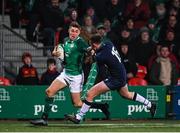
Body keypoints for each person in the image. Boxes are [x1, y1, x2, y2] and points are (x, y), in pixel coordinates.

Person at [65, 34, 157, 124]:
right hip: (121, 73)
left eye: (92, 45)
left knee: (90, 93)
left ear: (94, 44)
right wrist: (94, 52)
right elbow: (99, 52)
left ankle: (79, 117)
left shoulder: (101, 56)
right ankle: (150, 104)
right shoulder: (108, 43)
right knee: (126, 94)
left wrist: (93, 54)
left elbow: (99, 67)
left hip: (115, 78)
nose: (92, 47)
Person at [30, 22, 109, 126]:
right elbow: (63, 56)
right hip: (66, 73)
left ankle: (102, 106)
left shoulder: (80, 42)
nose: (74, 33)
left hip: (76, 76)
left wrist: (91, 51)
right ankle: (44, 119)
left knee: (77, 104)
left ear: (79, 33)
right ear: (68, 31)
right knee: (49, 92)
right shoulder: (66, 42)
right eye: (72, 30)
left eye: (76, 31)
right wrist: (56, 52)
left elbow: (88, 50)